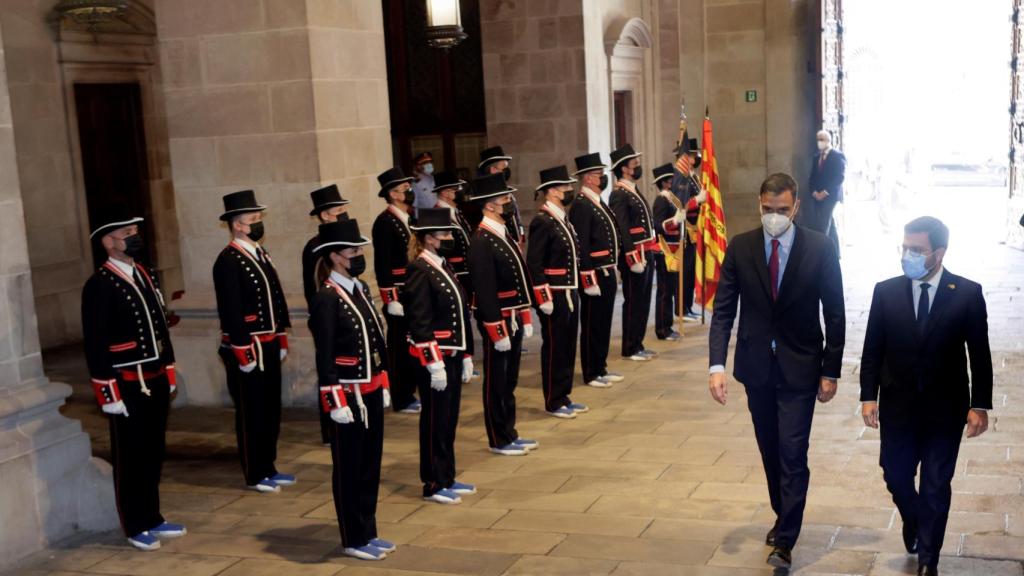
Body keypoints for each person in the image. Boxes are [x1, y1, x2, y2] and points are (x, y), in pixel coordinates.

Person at [707, 173, 845, 569]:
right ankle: (783, 513)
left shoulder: (819, 248)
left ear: (796, 207)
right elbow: (723, 311)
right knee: (770, 450)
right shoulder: (741, 247)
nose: (775, 217)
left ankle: (785, 538)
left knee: (792, 451)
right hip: (756, 368)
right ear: (759, 205)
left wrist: (830, 370)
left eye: (782, 210)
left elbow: (834, 314)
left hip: (801, 366)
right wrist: (716, 364)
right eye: (768, 210)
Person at [860, 216, 992, 576]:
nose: (908, 256)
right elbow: (873, 349)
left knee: (936, 483)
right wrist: (867, 396)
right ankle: (914, 518)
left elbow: (979, 354)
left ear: (939, 252)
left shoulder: (966, 293)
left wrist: (979, 405)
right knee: (895, 475)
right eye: (905, 248)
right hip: (898, 406)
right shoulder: (885, 291)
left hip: (945, 410)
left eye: (916, 250)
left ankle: (928, 561)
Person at [81, 208, 185, 551]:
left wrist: (168, 366)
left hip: (153, 375)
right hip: (126, 381)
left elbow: (159, 324)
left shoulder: (144, 273)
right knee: (131, 454)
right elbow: (96, 342)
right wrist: (107, 390)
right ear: (109, 242)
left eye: (134, 231)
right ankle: (134, 523)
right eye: (126, 233)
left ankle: (153, 515)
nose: (134, 237)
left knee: (154, 449)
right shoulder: (100, 284)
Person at [309, 219, 394, 562]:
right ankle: (352, 537)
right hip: (347, 395)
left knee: (370, 464)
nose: (358, 255)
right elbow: (325, 353)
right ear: (335, 257)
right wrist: (333, 399)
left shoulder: (358, 289)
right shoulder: (327, 298)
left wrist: (384, 379)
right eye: (353, 250)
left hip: (370, 389)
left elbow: (376, 340)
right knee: (349, 466)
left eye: (359, 249)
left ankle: (368, 530)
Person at [213, 190, 296, 493]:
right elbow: (231, 309)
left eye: (259, 219)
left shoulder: (260, 252)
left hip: (269, 341)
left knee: (270, 407)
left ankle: (269, 466)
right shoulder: (229, 260)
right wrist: (242, 350)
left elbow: (276, 296)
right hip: (247, 346)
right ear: (237, 225)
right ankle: (254, 471)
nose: (258, 224)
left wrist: (281, 332)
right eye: (253, 220)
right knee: (252, 411)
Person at [404, 208, 477, 504]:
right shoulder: (419, 269)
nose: (449, 238)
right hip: (435, 358)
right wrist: (433, 363)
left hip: (452, 354)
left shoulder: (441, 264)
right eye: (445, 234)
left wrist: (467, 353)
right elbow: (419, 321)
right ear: (429, 238)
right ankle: (433, 481)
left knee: (449, 419)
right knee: (435, 420)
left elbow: (460, 312)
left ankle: (447, 476)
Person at [467, 172, 539, 456]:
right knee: (497, 382)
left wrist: (524, 315)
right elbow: (484, 289)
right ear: (490, 205)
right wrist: (496, 330)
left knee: (509, 381)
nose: (510, 203)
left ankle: (510, 431)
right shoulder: (482, 239)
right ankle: (498, 437)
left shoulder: (500, 233)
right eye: (505, 199)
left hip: (512, 317)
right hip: (498, 320)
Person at [527, 165, 588, 418]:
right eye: (565, 187)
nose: (569, 190)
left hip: (569, 291)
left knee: (566, 345)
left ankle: (564, 394)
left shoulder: (561, 217)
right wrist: (543, 297)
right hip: (554, 293)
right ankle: (553, 399)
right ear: (551, 191)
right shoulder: (542, 221)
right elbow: (534, 262)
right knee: (554, 347)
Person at [569, 152, 624, 389]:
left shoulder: (597, 201)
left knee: (603, 322)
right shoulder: (582, 205)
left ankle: (600, 367)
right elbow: (582, 244)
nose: (603, 178)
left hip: (607, 270)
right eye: (599, 174)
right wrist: (587, 278)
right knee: (592, 323)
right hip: (595, 274)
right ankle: (591, 371)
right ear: (588, 178)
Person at [302, 183, 351, 444]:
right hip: (327, 314)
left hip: (346, 313)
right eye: (338, 210)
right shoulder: (315, 246)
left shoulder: (342, 240)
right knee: (329, 368)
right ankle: (329, 427)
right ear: (324, 215)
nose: (343, 213)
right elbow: (313, 286)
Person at [372, 167, 421, 414]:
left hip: (412, 291)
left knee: (413, 342)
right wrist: (389, 298)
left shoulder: (409, 218)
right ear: (392, 194)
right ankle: (401, 395)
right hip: (398, 295)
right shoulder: (385, 222)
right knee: (399, 347)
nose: (409, 192)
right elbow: (382, 264)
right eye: (404, 190)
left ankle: (410, 390)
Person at [609, 143, 657, 361]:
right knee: (633, 301)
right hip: (635, 256)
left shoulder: (633, 190)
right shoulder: (619, 194)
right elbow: (622, 228)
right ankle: (629, 346)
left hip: (646, 252)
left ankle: (637, 343)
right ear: (624, 169)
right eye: (634, 163)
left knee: (643, 300)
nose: (638, 166)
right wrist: (631, 256)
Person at [650, 163, 686, 340]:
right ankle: (662, 329)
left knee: (670, 290)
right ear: (665, 182)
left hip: (674, 248)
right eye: (672, 179)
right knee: (664, 291)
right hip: (665, 250)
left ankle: (668, 325)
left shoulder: (672, 198)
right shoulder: (661, 200)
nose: (674, 181)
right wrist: (673, 221)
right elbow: (657, 225)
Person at [798, 130, 846, 254]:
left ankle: (820, 253)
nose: (819, 142)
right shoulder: (816, 157)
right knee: (831, 224)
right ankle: (835, 251)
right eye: (818, 139)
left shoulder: (837, 155)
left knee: (823, 223)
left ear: (828, 141)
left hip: (830, 196)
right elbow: (812, 177)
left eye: (822, 139)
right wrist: (814, 192)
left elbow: (839, 177)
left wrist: (825, 192)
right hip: (817, 195)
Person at [678, 138, 706, 321]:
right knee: (686, 271)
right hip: (686, 231)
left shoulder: (694, 177)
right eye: (695, 155)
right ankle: (682, 308)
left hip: (696, 229)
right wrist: (697, 200)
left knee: (691, 270)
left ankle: (688, 306)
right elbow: (679, 205)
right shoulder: (681, 179)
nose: (697, 158)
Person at [432, 171, 473, 292]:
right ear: (445, 193)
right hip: (455, 272)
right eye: (457, 188)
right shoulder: (437, 214)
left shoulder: (455, 211)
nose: (461, 191)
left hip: (466, 271)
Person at [478, 145, 526, 245]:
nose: (507, 171)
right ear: (493, 169)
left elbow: (515, 215)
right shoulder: (484, 196)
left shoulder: (507, 190)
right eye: (504, 168)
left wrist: (520, 234)